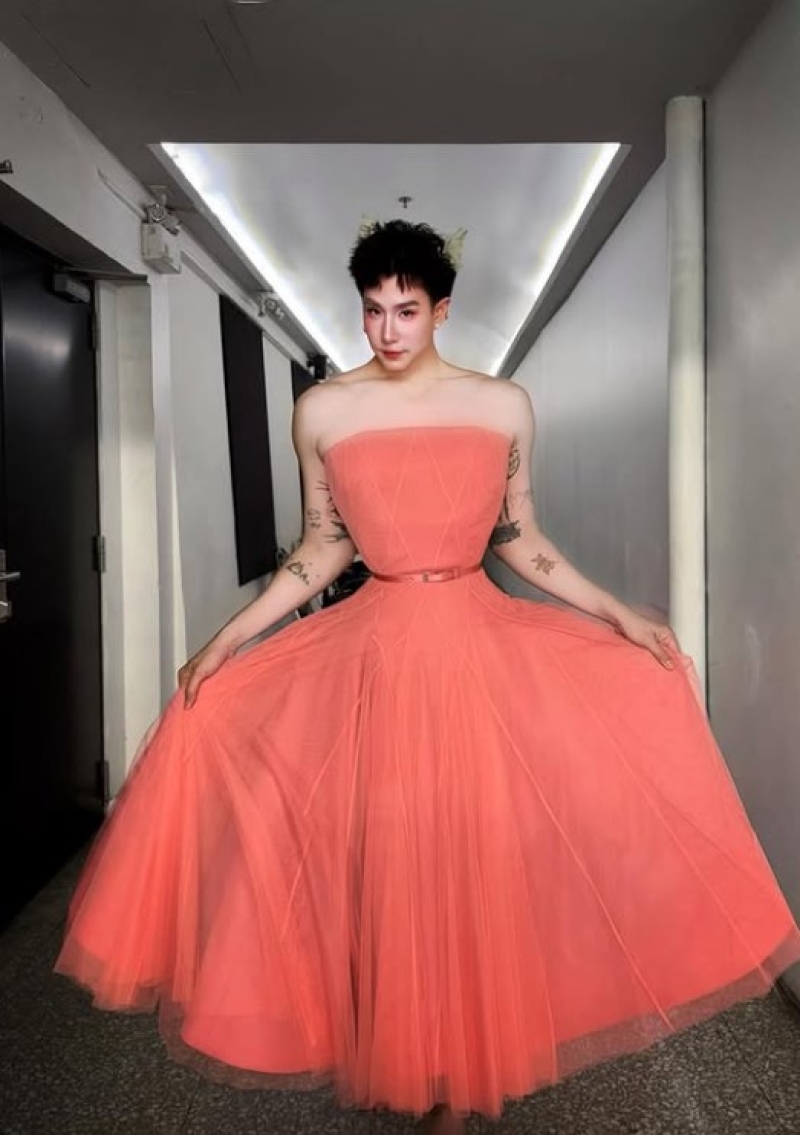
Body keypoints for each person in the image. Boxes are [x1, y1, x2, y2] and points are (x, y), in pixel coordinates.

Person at [56, 220, 800, 1134]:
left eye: (405, 310)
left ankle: (453, 1081)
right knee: (391, 861)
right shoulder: (323, 411)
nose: (387, 330)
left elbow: (520, 538)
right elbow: (322, 548)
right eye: (372, 311)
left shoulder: (502, 405)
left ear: (442, 310)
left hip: (477, 648)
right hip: (377, 654)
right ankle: (405, 1046)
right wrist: (227, 639)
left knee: (475, 854)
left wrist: (615, 612)